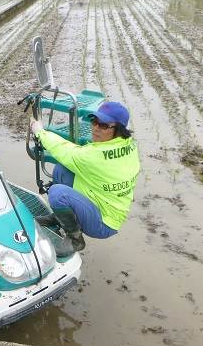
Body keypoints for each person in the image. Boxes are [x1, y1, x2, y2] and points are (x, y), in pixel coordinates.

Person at [30, 101, 140, 255]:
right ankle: (60, 218)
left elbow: (65, 150)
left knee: (57, 193)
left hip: (104, 223)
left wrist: (39, 131)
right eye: (94, 121)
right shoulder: (129, 145)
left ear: (119, 130)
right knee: (63, 169)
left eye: (103, 125)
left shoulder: (94, 156)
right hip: (101, 200)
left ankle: (76, 239)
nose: (95, 127)